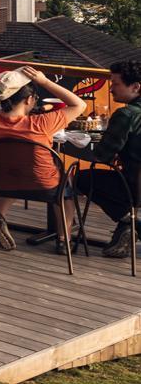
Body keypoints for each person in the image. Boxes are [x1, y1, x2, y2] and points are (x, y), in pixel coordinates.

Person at [0, 65, 87, 254]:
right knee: (65, 188)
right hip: (44, 185)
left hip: (3, 183)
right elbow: (79, 105)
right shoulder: (41, 123)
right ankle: (63, 239)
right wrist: (45, 81)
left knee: (14, 170)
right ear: (29, 99)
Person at [72, 60, 141, 257]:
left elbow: (102, 155)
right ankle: (126, 227)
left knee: (80, 178)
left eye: (116, 84)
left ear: (136, 87)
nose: (111, 89)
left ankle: (131, 222)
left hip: (134, 188)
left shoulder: (127, 114)